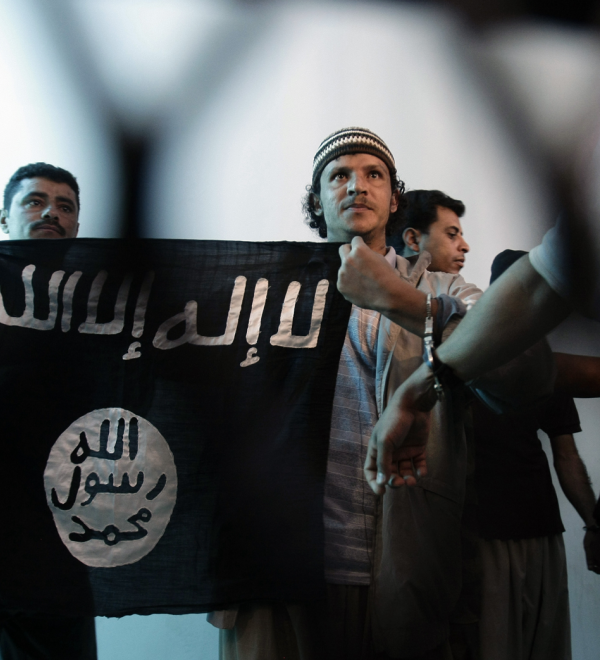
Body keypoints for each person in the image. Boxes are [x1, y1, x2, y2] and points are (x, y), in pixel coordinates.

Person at [214, 128, 484, 660]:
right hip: (281, 560)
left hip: (402, 555)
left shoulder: (444, 290)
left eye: (373, 174)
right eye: (340, 175)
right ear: (318, 199)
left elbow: (495, 345)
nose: (357, 186)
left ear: (394, 199)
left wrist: (394, 296)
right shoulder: (265, 295)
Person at [470, 249, 597, 660]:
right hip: (483, 534)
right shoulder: (465, 355)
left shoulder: (546, 365)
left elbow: (567, 457)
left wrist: (594, 524)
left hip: (543, 530)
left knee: (547, 647)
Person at [0, 163, 96, 660]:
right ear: (5, 217)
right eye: (34, 202)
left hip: (58, 537)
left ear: (77, 226)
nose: (50, 213)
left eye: (64, 206)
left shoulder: (100, 308)